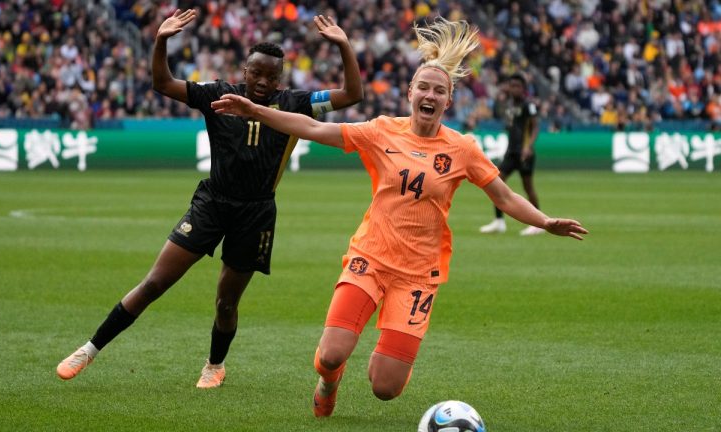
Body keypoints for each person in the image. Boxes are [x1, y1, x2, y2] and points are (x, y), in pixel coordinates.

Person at [210, 17, 588, 417]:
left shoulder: (462, 149)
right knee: (332, 354)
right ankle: (328, 381)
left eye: (438, 90)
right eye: (423, 87)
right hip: (369, 258)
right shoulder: (381, 132)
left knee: (385, 388)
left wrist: (544, 222)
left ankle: (387, 355)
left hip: (418, 274)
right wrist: (257, 111)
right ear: (410, 92)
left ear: (449, 99)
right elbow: (311, 127)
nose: (429, 94)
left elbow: (505, 195)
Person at [56, 9, 363, 388]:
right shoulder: (218, 93)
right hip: (212, 204)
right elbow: (163, 83)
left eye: (271, 75)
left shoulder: (295, 102)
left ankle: (215, 365)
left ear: (280, 78)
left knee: (226, 303)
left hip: (256, 214)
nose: (263, 81)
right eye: (256, 72)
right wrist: (161, 41)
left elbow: (352, 94)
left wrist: (344, 46)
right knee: (155, 283)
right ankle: (89, 349)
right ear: (244, 70)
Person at [479, 73, 544, 235]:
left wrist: (528, 146)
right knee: (496, 183)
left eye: (517, 86)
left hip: (524, 153)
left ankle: (538, 224)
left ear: (523, 88)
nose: (514, 89)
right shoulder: (508, 105)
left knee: (528, 187)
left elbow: (535, 127)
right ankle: (499, 221)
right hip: (511, 152)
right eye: (512, 85)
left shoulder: (528, 105)